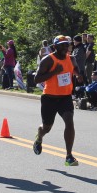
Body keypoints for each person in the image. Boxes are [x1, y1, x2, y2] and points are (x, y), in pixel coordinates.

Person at [32, 36, 79, 166]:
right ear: (55, 47)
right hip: (49, 98)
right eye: (62, 45)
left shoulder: (72, 58)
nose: (65, 47)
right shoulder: (48, 60)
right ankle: (39, 137)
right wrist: (54, 72)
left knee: (69, 122)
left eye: (66, 45)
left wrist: (79, 75)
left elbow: (76, 70)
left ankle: (69, 156)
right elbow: (37, 79)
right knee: (46, 128)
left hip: (65, 97)